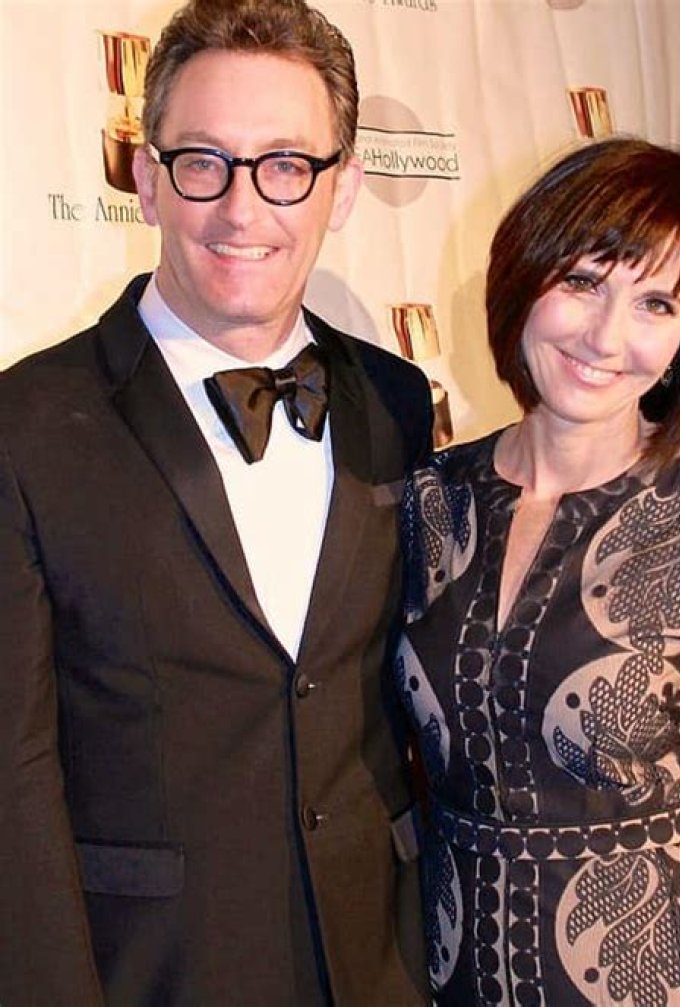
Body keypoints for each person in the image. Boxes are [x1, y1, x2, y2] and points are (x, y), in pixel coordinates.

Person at [0, 0, 433, 1004]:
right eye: (204, 162)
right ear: (147, 180)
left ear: (344, 185)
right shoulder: (25, 427)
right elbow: (12, 779)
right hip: (155, 972)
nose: (243, 209)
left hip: (382, 963)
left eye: (286, 164)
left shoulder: (398, 401)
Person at [396, 137, 680, 1005]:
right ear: (523, 277)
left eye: (656, 303)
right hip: (454, 970)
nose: (608, 337)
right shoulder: (429, 499)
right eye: (582, 281)